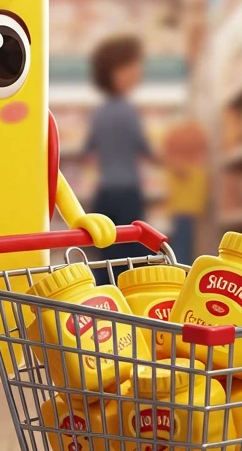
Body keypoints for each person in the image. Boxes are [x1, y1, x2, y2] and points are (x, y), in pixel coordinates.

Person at [82, 36, 153, 274]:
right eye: (132, 66)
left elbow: (88, 147)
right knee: (132, 255)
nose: (137, 72)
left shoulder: (99, 113)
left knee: (105, 252)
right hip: (128, 193)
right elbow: (143, 147)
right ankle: (128, 305)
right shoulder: (129, 112)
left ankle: (104, 301)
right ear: (117, 72)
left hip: (104, 193)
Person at [163, 120, 208, 264]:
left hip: (181, 209)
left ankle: (181, 271)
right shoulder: (195, 168)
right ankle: (184, 271)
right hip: (188, 209)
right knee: (185, 247)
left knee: (182, 247)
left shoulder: (177, 166)